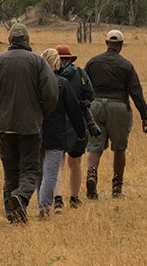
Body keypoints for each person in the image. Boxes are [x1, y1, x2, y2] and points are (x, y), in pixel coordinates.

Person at [0, 23, 59, 223]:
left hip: (5, 126)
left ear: (9, 41)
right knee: (30, 169)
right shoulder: (38, 62)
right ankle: (21, 198)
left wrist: (1, 110)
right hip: (30, 127)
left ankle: (13, 216)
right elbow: (51, 93)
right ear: (28, 40)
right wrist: (40, 112)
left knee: (10, 172)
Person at [83, 29, 147, 199]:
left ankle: (92, 175)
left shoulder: (93, 62)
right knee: (119, 148)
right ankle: (116, 189)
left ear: (106, 43)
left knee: (94, 146)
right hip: (118, 106)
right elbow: (136, 92)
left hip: (96, 105)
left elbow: (83, 87)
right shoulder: (126, 65)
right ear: (120, 45)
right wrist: (144, 115)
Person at [36, 49, 100, 219]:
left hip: (39, 130)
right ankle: (73, 197)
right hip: (65, 128)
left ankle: (54, 201)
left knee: (52, 168)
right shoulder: (74, 76)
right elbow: (86, 100)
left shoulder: (37, 81)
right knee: (74, 164)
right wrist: (81, 132)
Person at [51, 44, 95, 211]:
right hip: (78, 125)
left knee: (58, 163)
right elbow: (91, 95)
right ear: (70, 59)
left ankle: (58, 200)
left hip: (57, 123)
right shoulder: (80, 73)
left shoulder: (50, 76)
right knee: (75, 163)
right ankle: (74, 198)